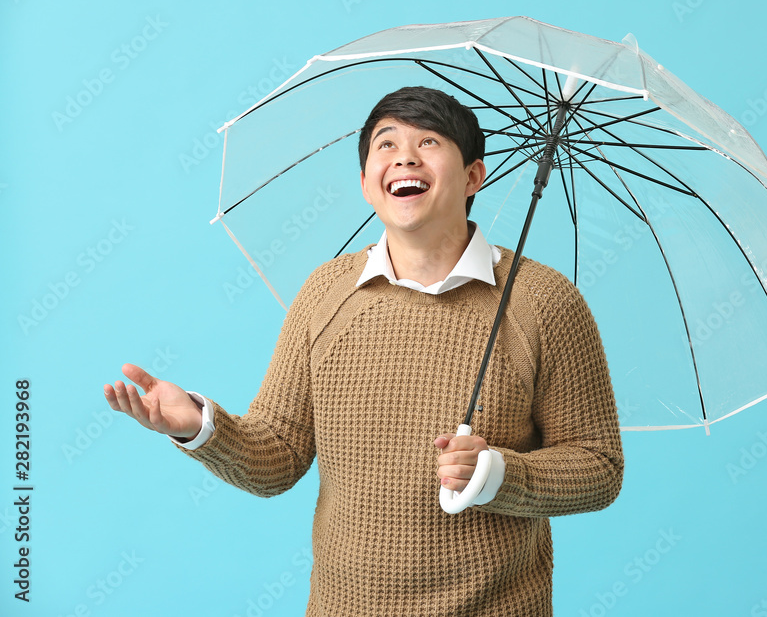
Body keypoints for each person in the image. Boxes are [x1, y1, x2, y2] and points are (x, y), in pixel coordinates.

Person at [103, 86, 624, 616]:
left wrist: (498, 474)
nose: (404, 156)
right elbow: (277, 456)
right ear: (365, 184)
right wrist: (197, 425)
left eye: (429, 141)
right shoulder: (325, 293)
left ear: (472, 176)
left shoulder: (544, 301)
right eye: (386, 143)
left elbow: (599, 468)